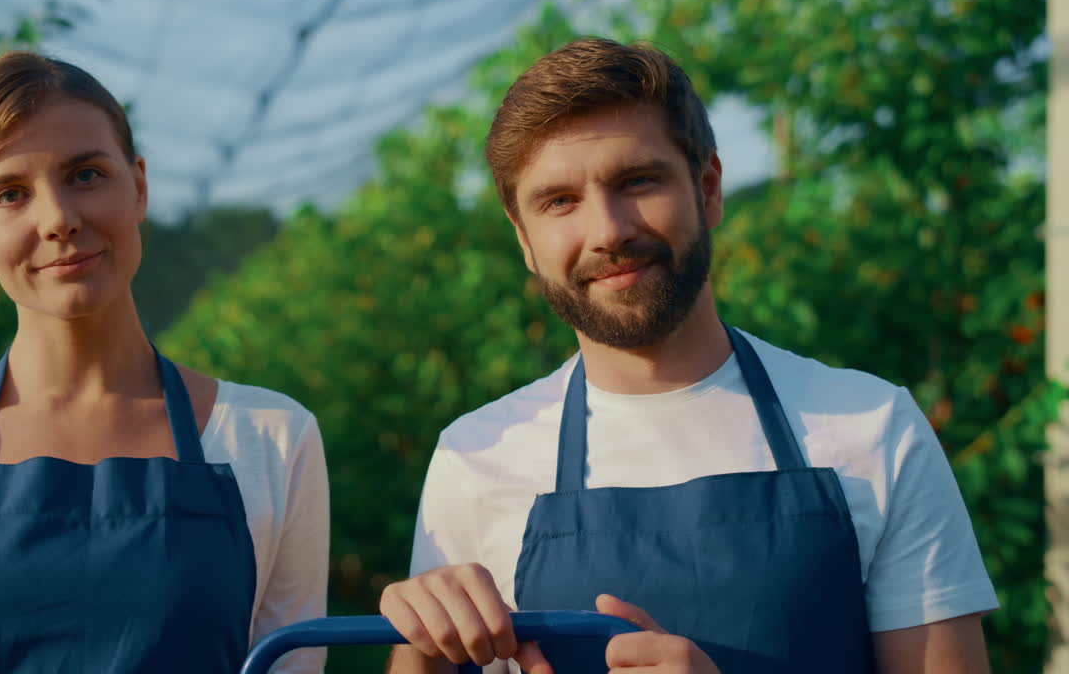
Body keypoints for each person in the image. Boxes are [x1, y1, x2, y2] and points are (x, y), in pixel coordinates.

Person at [379, 37, 998, 673]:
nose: (609, 231)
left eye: (638, 181)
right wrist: (418, 651)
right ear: (525, 241)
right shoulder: (475, 458)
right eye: (559, 201)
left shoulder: (871, 426)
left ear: (707, 190)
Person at [0, 52, 328, 674]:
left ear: (138, 186)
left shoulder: (273, 437)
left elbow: (291, 663)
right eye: (10, 194)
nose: (59, 218)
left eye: (86, 176)